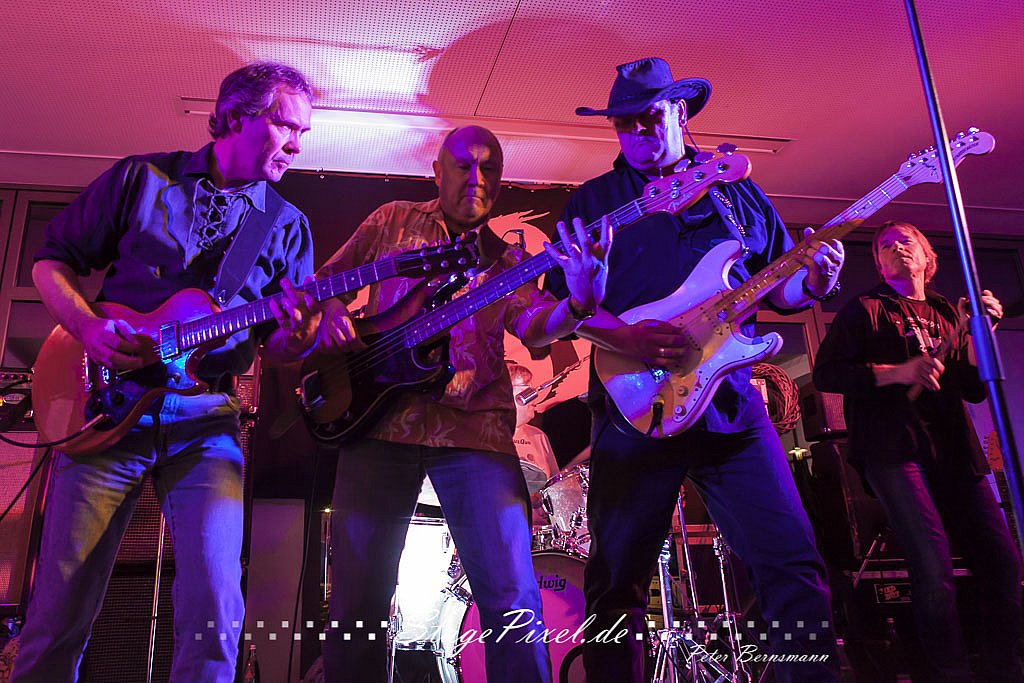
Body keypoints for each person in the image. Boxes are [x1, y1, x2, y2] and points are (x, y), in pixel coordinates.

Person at [12, 61, 320, 682]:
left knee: (217, 610)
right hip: (105, 411)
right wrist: (89, 329)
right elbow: (51, 263)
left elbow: (284, 348)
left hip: (207, 423)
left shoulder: (286, 225)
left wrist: (302, 331)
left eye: (302, 133)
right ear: (233, 117)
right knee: (58, 611)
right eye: (285, 126)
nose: (295, 145)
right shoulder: (141, 178)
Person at [544, 57, 842, 682]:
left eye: (648, 117)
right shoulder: (595, 202)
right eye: (622, 123)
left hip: (730, 405)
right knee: (616, 585)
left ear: (680, 112)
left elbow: (778, 288)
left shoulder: (738, 193)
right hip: (635, 408)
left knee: (793, 565)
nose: (635, 132)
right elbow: (562, 309)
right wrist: (625, 335)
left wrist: (814, 281)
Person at [314, 125, 611, 683]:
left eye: (489, 167)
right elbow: (326, 283)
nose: (477, 177)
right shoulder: (392, 221)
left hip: (477, 433)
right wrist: (331, 311)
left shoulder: (506, 260)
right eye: (463, 164)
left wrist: (578, 301)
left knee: (512, 600)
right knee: (357, 598)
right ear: (437, 172)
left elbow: (538, 328)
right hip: (380, 426)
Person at [813, 220, 1022, 682]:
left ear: (928, 257)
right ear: (879, 264)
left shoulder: (948, 311)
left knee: (1003, 562)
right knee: (932, 566)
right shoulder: (865, 309)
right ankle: (949, 674)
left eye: (905, 241)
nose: (896, 248)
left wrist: (981, 332)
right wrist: (898, 372)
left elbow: (973, 388)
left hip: (953, 449)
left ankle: (1004, 668)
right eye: (884, 246)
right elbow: (828, 373)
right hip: (892, 451)